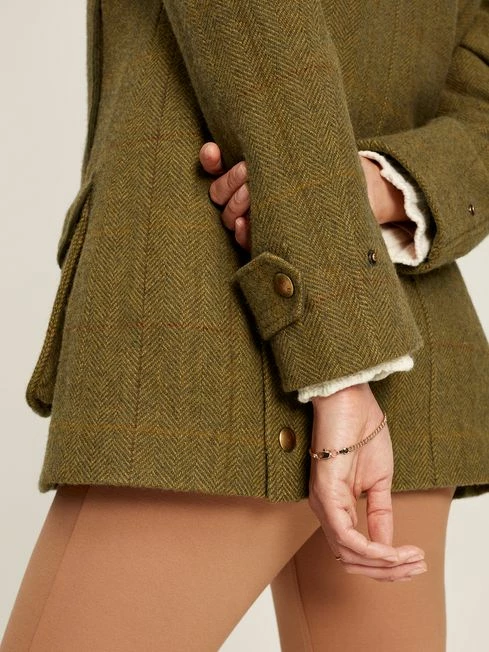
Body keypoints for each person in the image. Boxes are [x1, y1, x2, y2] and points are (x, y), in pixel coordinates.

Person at [2, 0, 489, 650]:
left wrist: (342, 352)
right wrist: (375, 191)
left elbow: (257, 27)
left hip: (201, 317)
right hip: (406, 342)